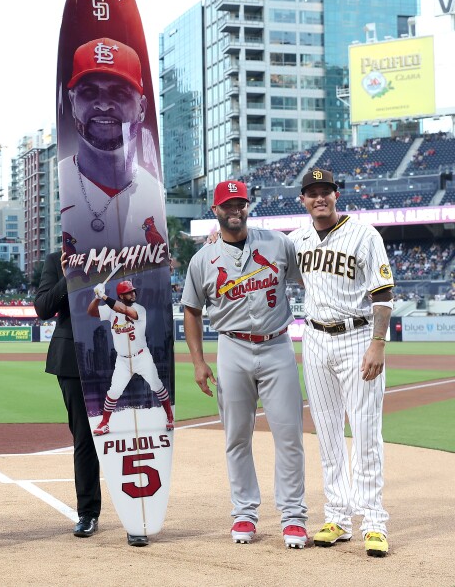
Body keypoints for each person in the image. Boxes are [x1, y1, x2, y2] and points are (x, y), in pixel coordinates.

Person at [181, 180, 308, 549]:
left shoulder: (278, 243)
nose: (234, 209)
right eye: (227, 204)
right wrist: (198, 361)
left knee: (289, 437)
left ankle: (293, 516)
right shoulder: (202, 259)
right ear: (215, 210)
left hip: (277, 346)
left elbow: (306, 278)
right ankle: (244, 514)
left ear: (248, 206)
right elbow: (191, 310)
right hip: (232, 347)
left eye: (240, 203)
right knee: (237, 437)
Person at [288, 168, 395, 558]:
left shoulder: (365, 235)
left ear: (336, 195)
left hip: (357, 336)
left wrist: (378, 343)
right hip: (314, 338)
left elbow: (383, 293)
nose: (319, 198)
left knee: (365, 431)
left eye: (325, 191)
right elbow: (265, 257)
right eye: (312, 193)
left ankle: (373, 521)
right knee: (328, 432)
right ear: (302, 199)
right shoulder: (296, 240)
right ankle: (337, 514)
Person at [59, 37, 167, 253]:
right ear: (72, 102)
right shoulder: (59, 179)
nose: (104, 105)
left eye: (119, 93)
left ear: (142, 108)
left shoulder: (153, 192)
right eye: (89, 92)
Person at [34, 252, 102, 540]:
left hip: (118, 351)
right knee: (85, 438)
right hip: (73, 356)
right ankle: (88, 513)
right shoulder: (54, 261)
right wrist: (68, 276)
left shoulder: (121, 254)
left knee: (126, 432)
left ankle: (137, 509)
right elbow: (43, 308)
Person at [87, 279, 174, 437]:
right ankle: (104, 423)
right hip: (123, 361)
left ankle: (169, 416)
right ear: (121, 295)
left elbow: (126, 311)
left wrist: (104, 297)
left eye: (133, 291)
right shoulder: (111, 310)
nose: (133, 293)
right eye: (129, 292)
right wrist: (97, 297)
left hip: (141, 356)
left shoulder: (139, 309)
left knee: (156, 385)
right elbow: (91, 312)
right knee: (114, 391)